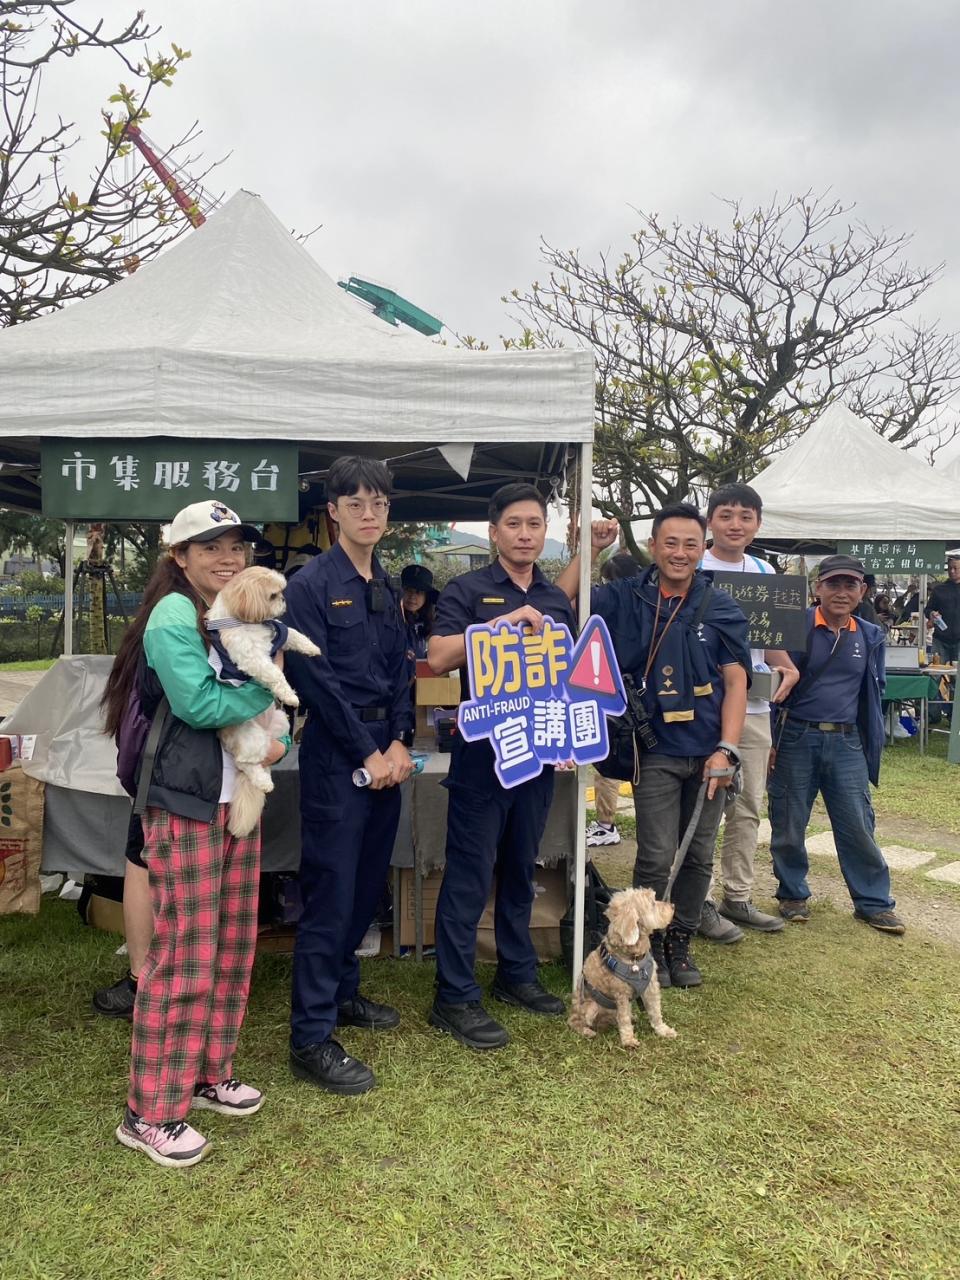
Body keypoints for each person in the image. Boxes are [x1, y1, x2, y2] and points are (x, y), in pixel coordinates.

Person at [101, 500, 289, 1168]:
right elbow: (200, 703)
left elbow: (276, 703)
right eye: (209, 547)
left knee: (234, 943)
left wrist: (277, 732)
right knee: (183, 950)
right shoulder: (174, 615)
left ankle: (211, 1072)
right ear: (178, 557)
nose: (227, 558)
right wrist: (270, 704)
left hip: (235, 797)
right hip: (183, 800)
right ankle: (149, 1111)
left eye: (236, 546)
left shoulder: (243, 611)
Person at [559, 504, 750, 989]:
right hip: (654, 749)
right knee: (656, 855)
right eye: (670, 543)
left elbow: (736, 680)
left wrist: (727, 749)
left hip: (708, 751)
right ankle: (643, 948)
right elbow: (558, 606)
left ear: (702, 547)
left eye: (690, 544)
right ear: (653, 544)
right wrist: (589, 551)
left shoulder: (721, 607)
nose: (680, 553)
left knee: (700, 854)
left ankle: (679, 944)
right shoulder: (623, 597)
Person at [426, 482, 576, 1050]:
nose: (525, 534)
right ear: (494, 533)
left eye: (534, 524)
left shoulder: (556, 599)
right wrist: (499, 627)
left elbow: (567, 674)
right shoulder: (467, 589)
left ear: (544, 532)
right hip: (483, 758)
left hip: (537, 756)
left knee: (521, 869)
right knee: (469, 875)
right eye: (513, 524)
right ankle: (455, 995)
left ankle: (516, 974)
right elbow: (438, 656)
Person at [283, 456, 414, 1095]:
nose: (370, 514)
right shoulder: (309, 584)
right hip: (339, 756)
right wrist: (367, 751)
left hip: (382, 754)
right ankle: (309, 1035)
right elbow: (315, 681)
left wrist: (399, 741)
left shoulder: (384, 585)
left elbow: (402, 671)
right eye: (356, 503)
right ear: (332, 510)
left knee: (366, 889)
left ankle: (343, 994)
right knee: (331, 894)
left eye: (380, 504)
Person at [768, 554, 905, 934]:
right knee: (789, 820)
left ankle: (873, 903)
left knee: (857, 824)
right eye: (833, 584)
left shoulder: (869, 634)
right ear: (817, 588)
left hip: (847, 742)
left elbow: (872, 694)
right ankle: (792, 893)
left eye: (850, 585)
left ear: (862, 591)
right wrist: (771, 742)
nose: (842, 592)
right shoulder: (794, 627)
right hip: (796, 735)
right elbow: (772, 686)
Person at [697, 483, 799, 943]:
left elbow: (769, 634)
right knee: (701, 806)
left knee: (748, 803)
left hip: (756, 705)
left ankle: (736, 895)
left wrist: (784, 664)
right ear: (710, 521)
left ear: (758, 524)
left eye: (745, 516)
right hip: (698, 704)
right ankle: (693, 900)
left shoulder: (764, 570)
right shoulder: (692, 565)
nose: (735, 524)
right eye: (725, 515)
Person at [586, 552, 642, 849]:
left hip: (612, 695)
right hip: (641, 699)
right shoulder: (648, 603)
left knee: (607, 762)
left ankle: (606, 824)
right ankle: (644, 825)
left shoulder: (606, 604)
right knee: (640, 765)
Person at [925, 556, 960, 664]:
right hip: (940, 639)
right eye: (949, 568)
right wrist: (931, 614)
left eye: (955, 568)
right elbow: (928, 609)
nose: (952, 571)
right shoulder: (939, 589)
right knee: (935, 673)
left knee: (958, 677)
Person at [399, 563, 437, 661]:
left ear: (426, 597)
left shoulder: (431, 624)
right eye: (408, 590)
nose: (412, 596)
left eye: (418, 592)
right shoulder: (391, 620)